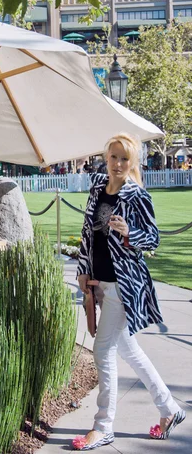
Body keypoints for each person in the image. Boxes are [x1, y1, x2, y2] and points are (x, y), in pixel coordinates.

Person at [73, 133, 185, 451]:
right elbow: (87, 234)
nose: (119, 163)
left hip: (125, 285)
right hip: (101, 283)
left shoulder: (137, 196)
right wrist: (83, 270)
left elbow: (152, 239)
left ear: (132, 162)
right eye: (114, 156)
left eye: (125, 158)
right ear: (106, 158)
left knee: (102, 349)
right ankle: (170, 409)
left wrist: (129, 232)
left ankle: (103, 425)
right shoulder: (97, 188)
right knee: (129, 350)